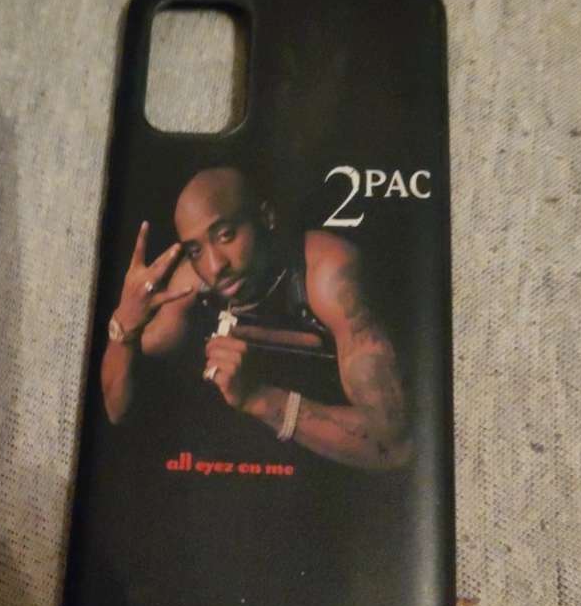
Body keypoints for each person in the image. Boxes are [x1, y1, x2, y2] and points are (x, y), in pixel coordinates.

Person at [101, 167, 411, 471]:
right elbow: (117, 409)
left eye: (225, 235)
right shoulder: (192, 284)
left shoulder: (329, 276)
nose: (214, 266)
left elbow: (397, 445)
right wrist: (124, 325)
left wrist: (257, 398)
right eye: (195, 250)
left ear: (266, 218)